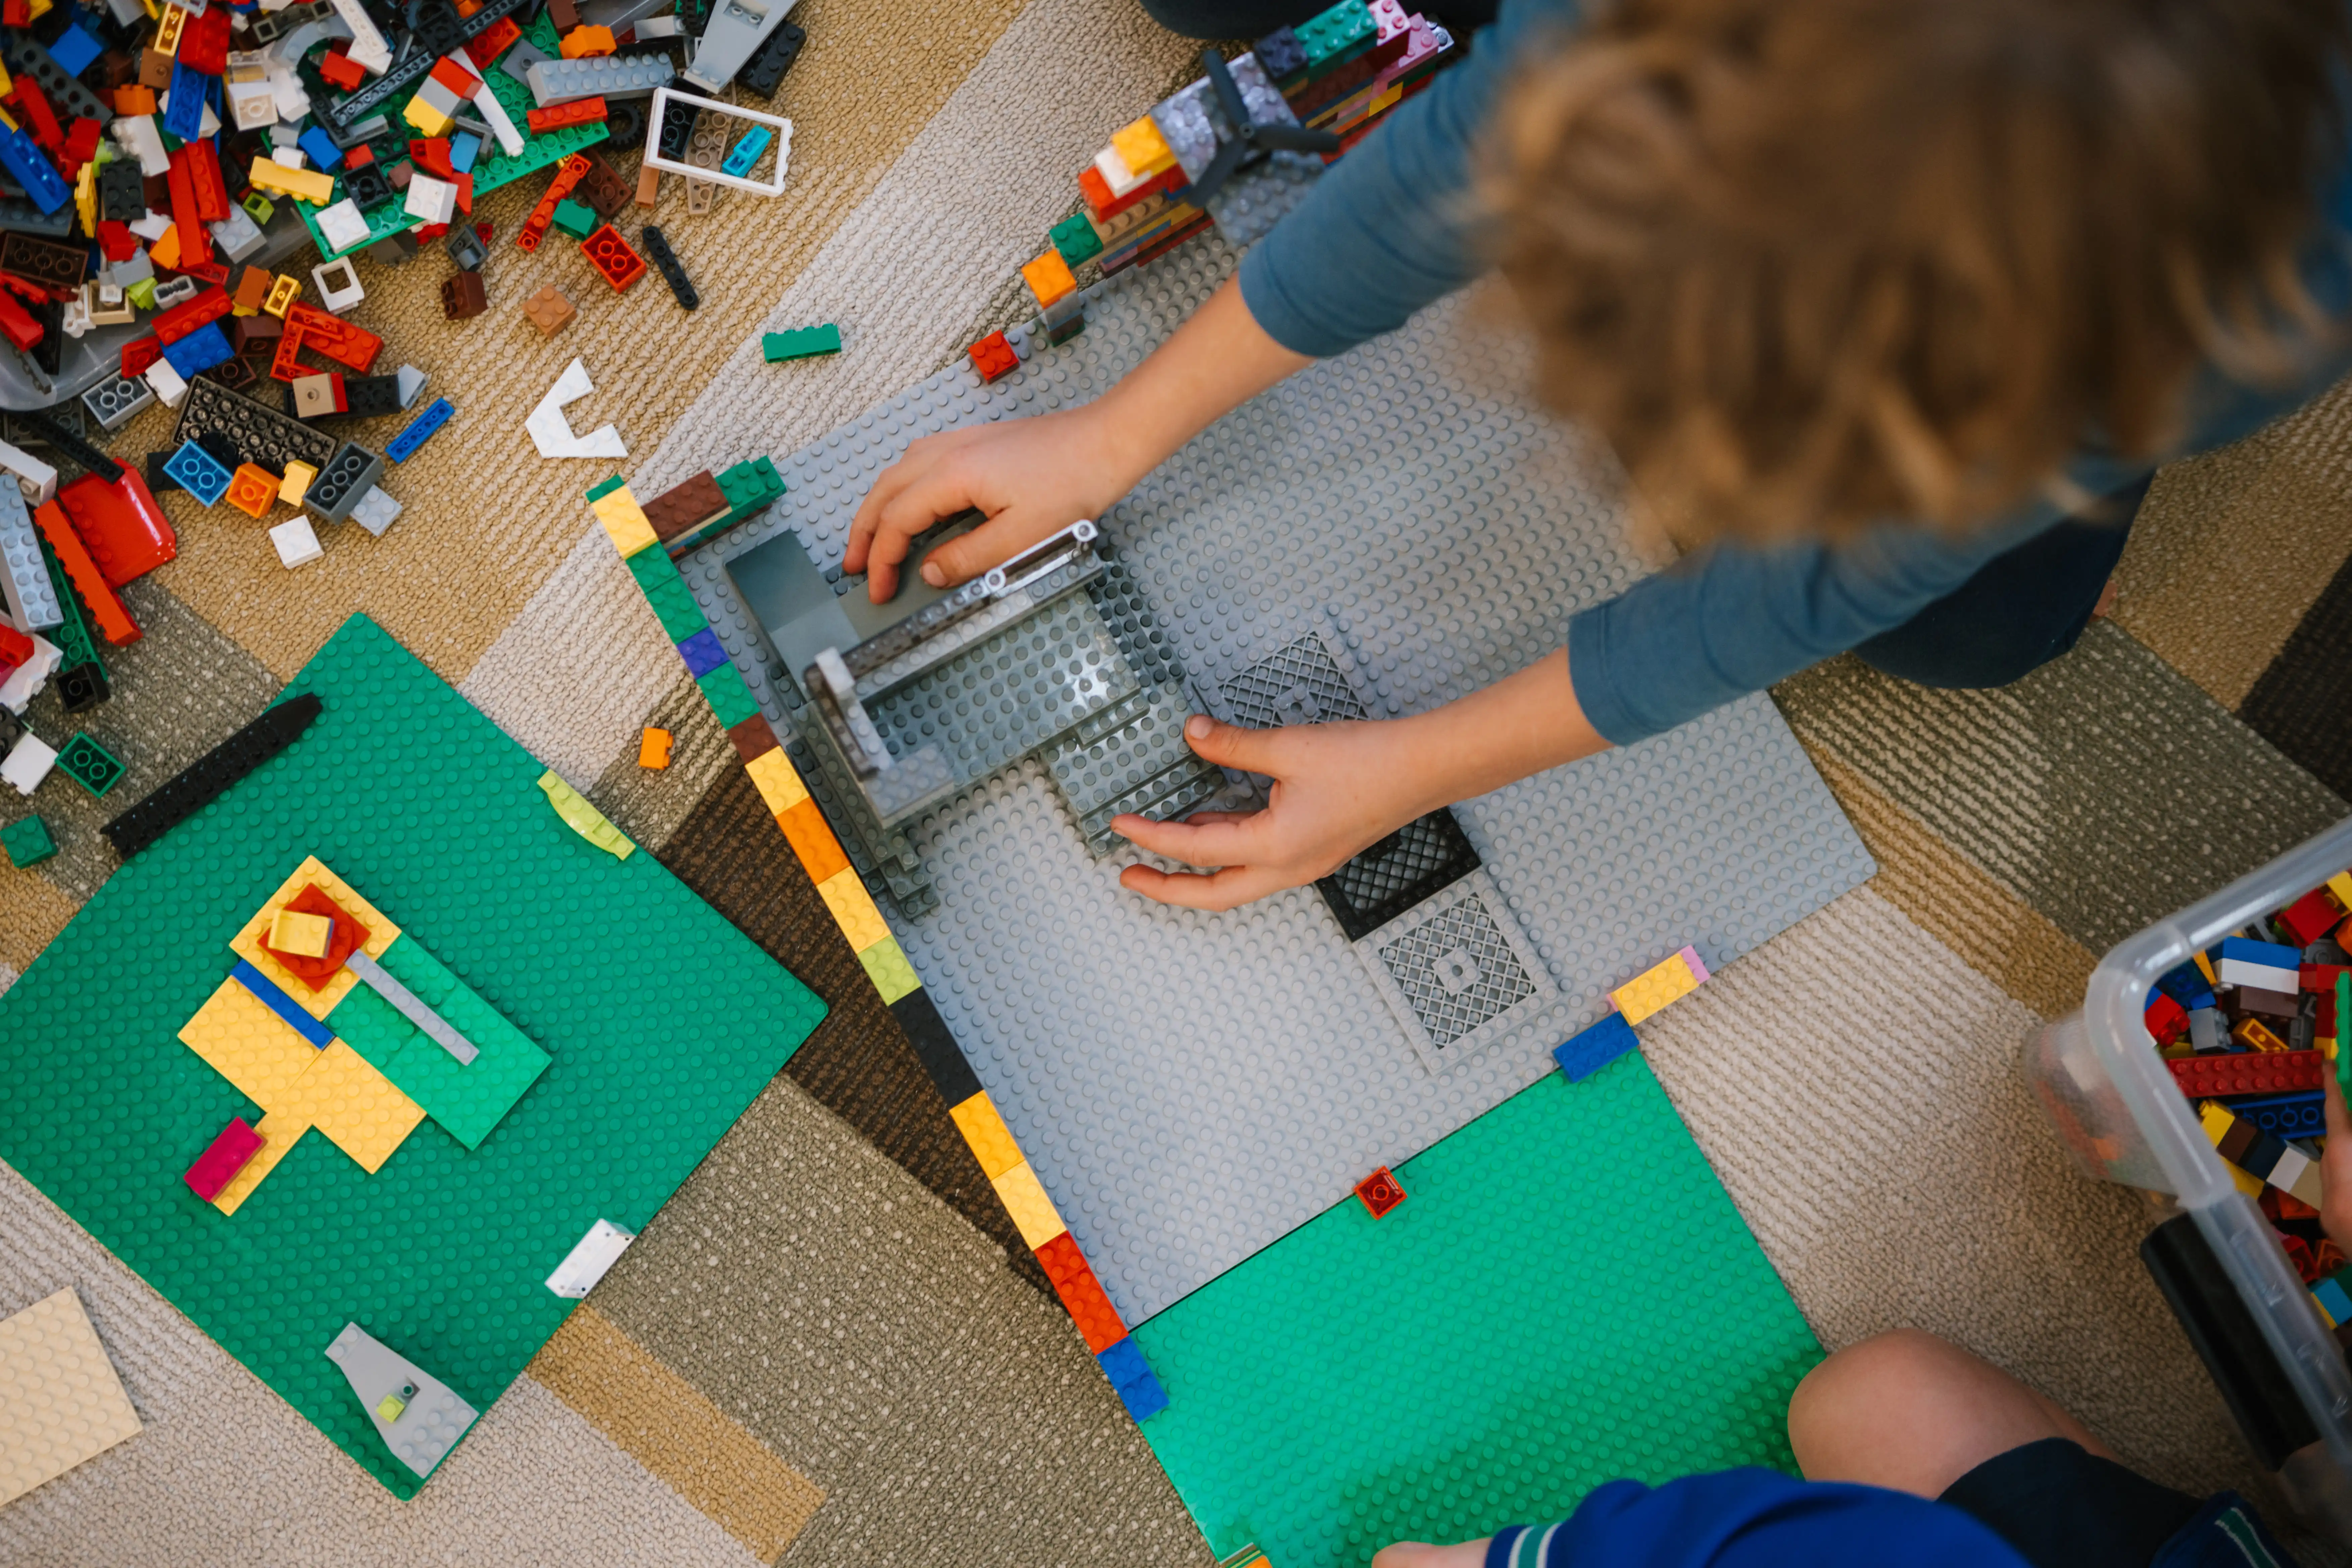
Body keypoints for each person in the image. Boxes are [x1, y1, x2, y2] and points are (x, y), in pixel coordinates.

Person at [846, 0, 2352, 911]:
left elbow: (1801, 591)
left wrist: (1408, 767)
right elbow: (1473, 152)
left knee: (1972, 624)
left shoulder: (2236, 303)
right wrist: (1115, 431)